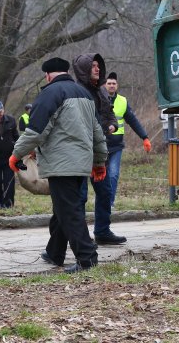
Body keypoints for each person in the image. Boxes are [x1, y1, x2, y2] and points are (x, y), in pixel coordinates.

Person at [9, 57, 107, 273]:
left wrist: (16, 155)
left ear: (47, 75)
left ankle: (87, 258)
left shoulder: (50, 94)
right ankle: (55, 253)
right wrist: (100, 161)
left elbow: (35, 132)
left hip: (61, 163)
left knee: (69, 211)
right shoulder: (84, 94)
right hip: (81, 162)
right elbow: (97, 132)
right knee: (64, 209)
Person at [72, 53, 125, 245]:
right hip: (81, 151)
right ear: (84, 68)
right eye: (93, 66)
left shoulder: (101, 91)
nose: (97, 69)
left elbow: (110, 113)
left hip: (101, 150)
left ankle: (102, 231)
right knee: (80, 196)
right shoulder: (77, 91)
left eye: (98, 65)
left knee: (105, 191)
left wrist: (113, 125)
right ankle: (80, 237)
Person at [104, 72, 152, 207]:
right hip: (101, 145)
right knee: (103, 177)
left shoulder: (122, 101)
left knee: (113, 175)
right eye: (109, 83)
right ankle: (102, 202)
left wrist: (144, 137)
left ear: (117, 85)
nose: (112, 86)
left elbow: (133, 121)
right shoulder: (99, 100)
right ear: (104, 85)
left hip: (117, 145)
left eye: (114, 83)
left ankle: (109, 203)